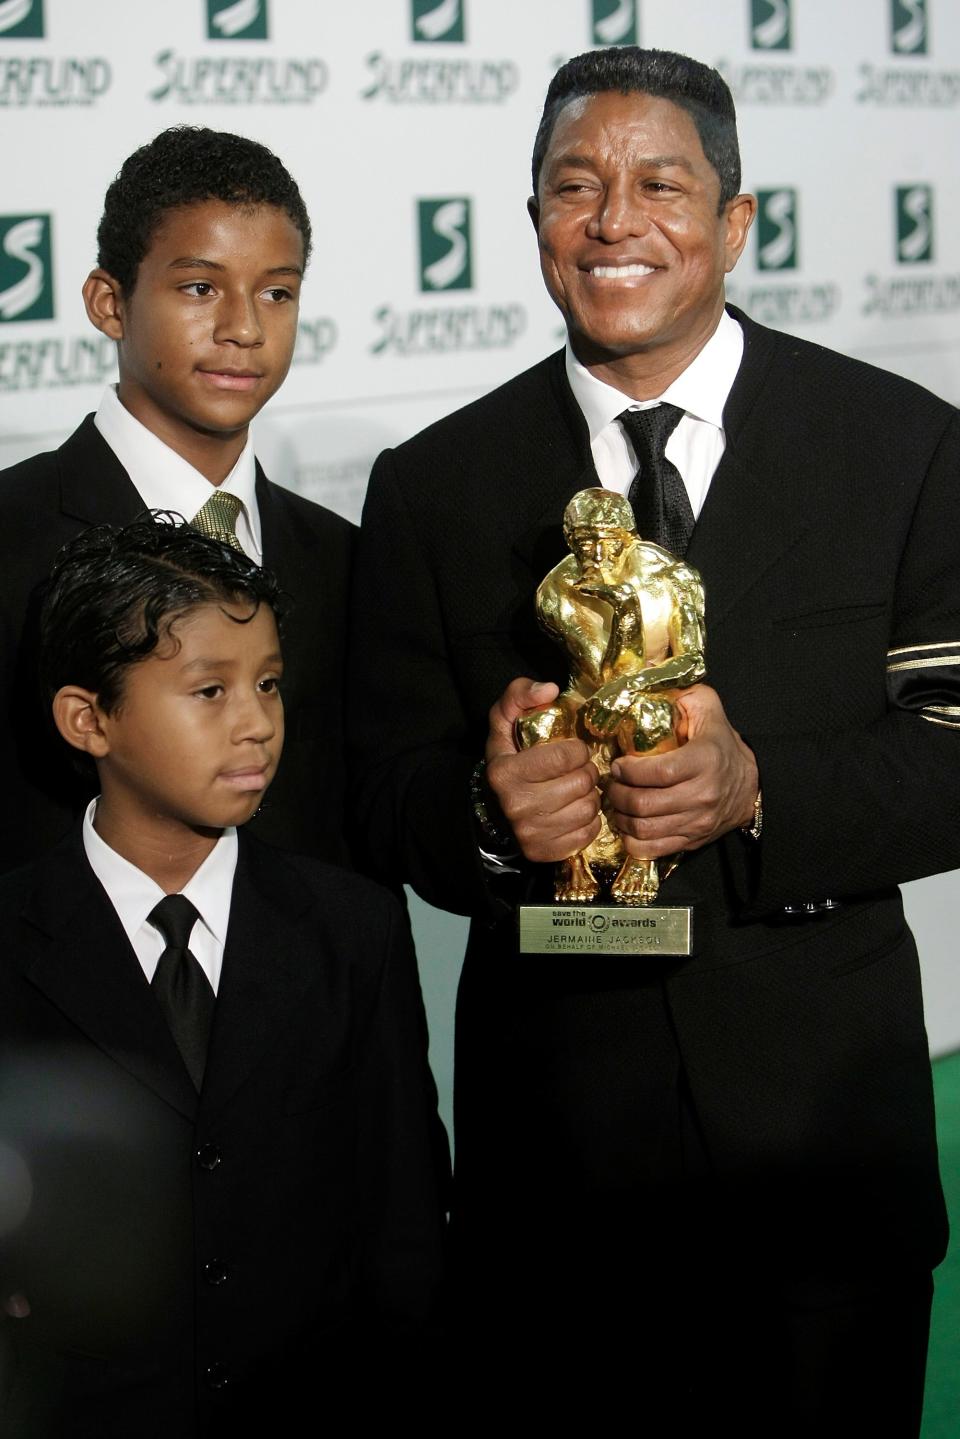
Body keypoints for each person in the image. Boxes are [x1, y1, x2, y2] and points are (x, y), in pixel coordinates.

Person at [349, 45, 960, 1433]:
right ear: (535, 224)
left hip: (822, 1155)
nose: (615, 218)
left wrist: (761, 790)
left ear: (736, 221)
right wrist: (493, 817)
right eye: (576, 184)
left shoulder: (906, 446)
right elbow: (383, 793)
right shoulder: (435, 484)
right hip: (556, 1169)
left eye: (660, 183)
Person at [0, 517, 444, 1437]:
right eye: (210, 690)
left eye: (270, 684)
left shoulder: (352, 926)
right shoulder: (9, 932)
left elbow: (401, 1217)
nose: (257, 723)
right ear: (89, 718)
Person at [0, 126, 353, 871]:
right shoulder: (10, 534)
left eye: (277, 292)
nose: (245, 329)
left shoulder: (346, 556)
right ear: (109, 303)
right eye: (200, 287)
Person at [517, 485, 705, 904]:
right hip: (587, 695)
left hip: (649, 692)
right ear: (571, 542)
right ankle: (572, 861)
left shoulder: (674, 578)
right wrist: (620, 612)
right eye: (585, 544)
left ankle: (642, 857)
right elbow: (601, 677)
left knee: (648, 717)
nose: (597, 556)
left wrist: (630, 681)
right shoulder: (557, 591)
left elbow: (693, 662)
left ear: (629, 539)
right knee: (538, 722)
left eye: (608, 543)